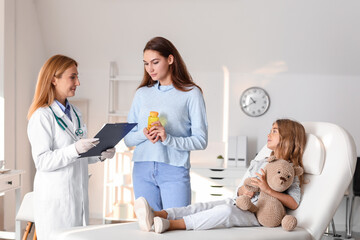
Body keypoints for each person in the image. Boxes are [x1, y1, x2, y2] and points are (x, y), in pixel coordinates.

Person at [134, 119, 307, 233]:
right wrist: (242, 191)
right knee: (203, 206)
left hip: (257, 214)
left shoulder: (290, 170)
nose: (268, 135)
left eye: (274, 131)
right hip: (240, 203)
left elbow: (294, 202)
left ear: (287, 138)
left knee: (224, 212)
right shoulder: (262, 161)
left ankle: (170, 225)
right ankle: (159, 214)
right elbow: (244, 186)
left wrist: (267, 189)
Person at [27, 55, 116, 239]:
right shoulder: (41, 116)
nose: (78, 82)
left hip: (78, 196)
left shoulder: (75, 112)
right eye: (72, 77)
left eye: (77, 77)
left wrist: (100, 154)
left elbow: (79, 155)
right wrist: (74, 149)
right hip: (55, 202)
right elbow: (42, 161)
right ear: (54, 79)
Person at [124, 36, 208, 211]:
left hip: (174, 170)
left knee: (176, 227)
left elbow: (201, 140)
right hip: (142, 169)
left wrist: (168, 138)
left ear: (170, 59)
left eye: (155, 62)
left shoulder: (191, 93)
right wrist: (143, 134)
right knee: (148, 227)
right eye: (146, 63)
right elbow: (128, 140)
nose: (150, 69)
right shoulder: (142, 94)